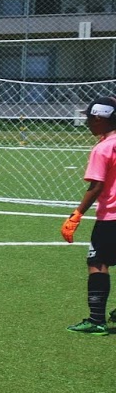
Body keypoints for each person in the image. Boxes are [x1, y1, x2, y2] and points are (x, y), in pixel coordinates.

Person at [62, 98, 116, 334]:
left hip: (111, 216)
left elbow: (96, 186)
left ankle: (96, 321)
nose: (86, 122)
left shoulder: (103, 148)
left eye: (88, 118)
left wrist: (76, 214)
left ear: (99, 119)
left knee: (97, 263)